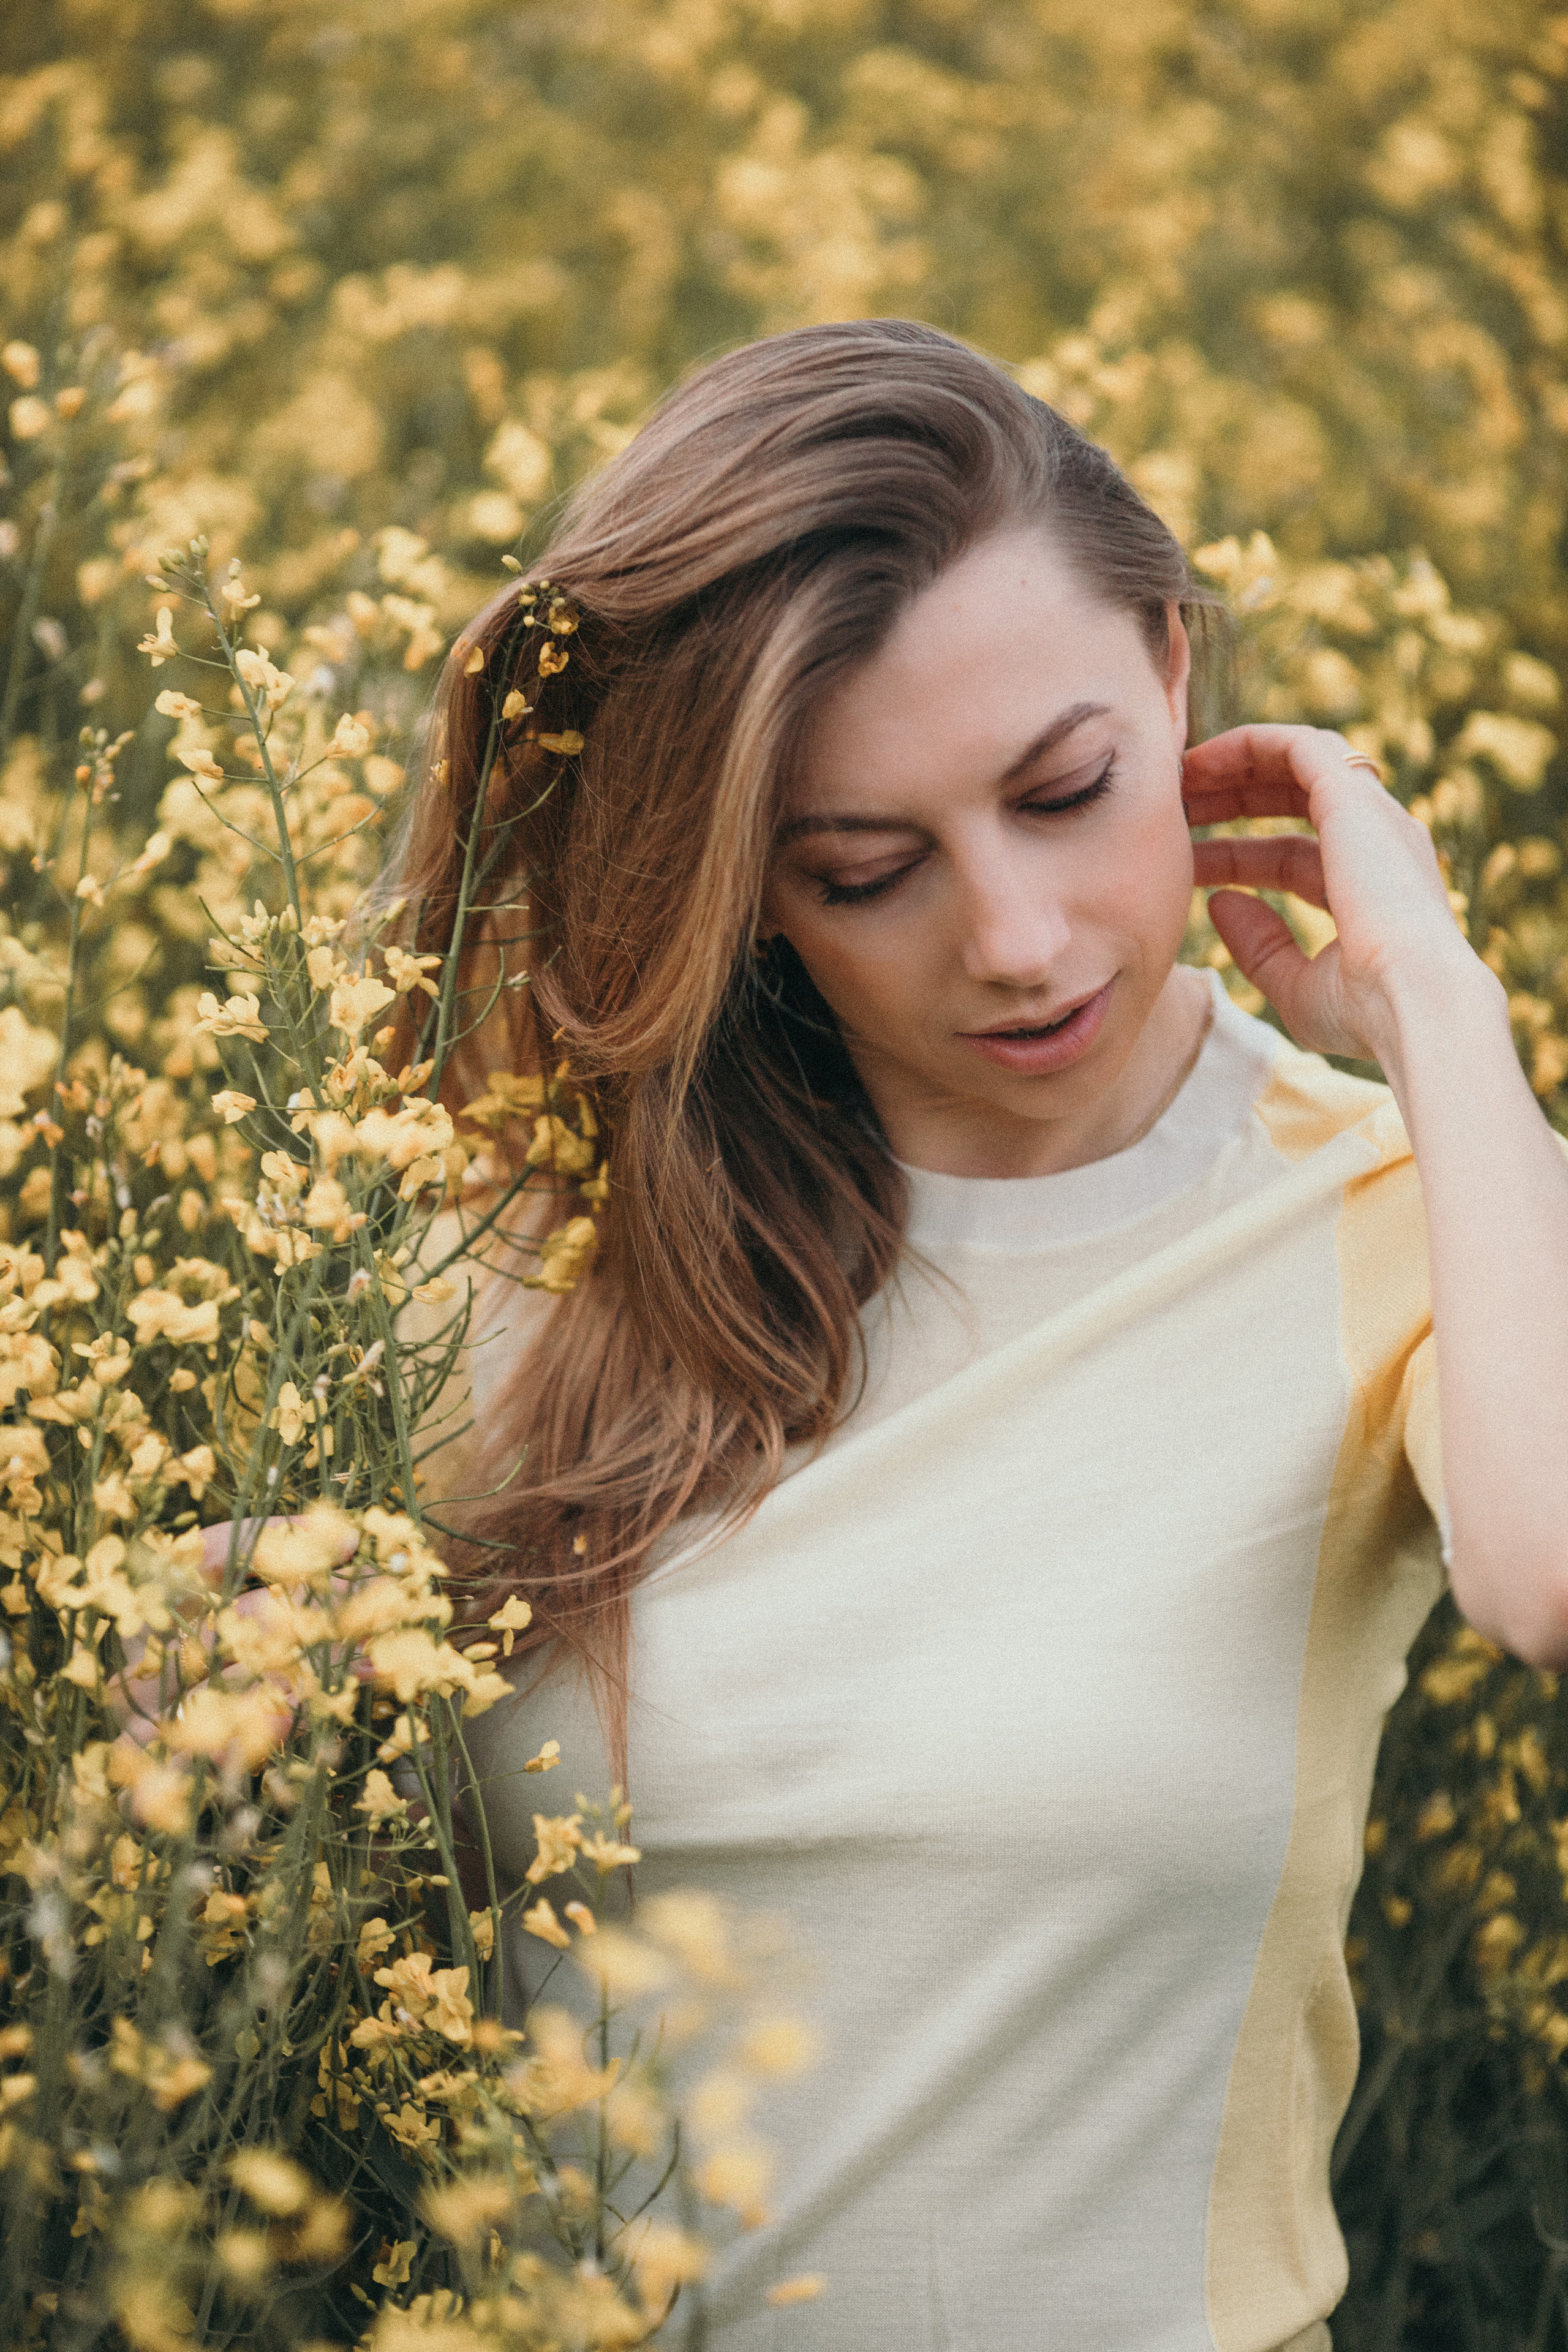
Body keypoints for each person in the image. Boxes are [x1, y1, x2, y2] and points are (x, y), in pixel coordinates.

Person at [388, 319, 1568, 2352]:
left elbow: (1550, 1582)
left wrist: (1441, 1009)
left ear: (1175, 674)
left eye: (1069, 791)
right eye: (867, 870)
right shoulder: (522, 1240)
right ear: (748, 887)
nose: (1016, 942)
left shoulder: (1404, 1208)